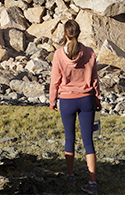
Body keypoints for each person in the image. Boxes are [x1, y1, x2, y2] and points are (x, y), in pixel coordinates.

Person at [49, 18, 101, 194]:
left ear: (65, 34)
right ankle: (92, 182)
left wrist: (52, 100)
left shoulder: (58, 54)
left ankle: (70, 175)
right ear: (79, 34)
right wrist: (98, 100)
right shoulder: (89, 52)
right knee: (88, 141)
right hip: (87, 100)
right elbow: (94, 79)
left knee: (69, 138)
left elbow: (55, 81)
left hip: (67, 101)